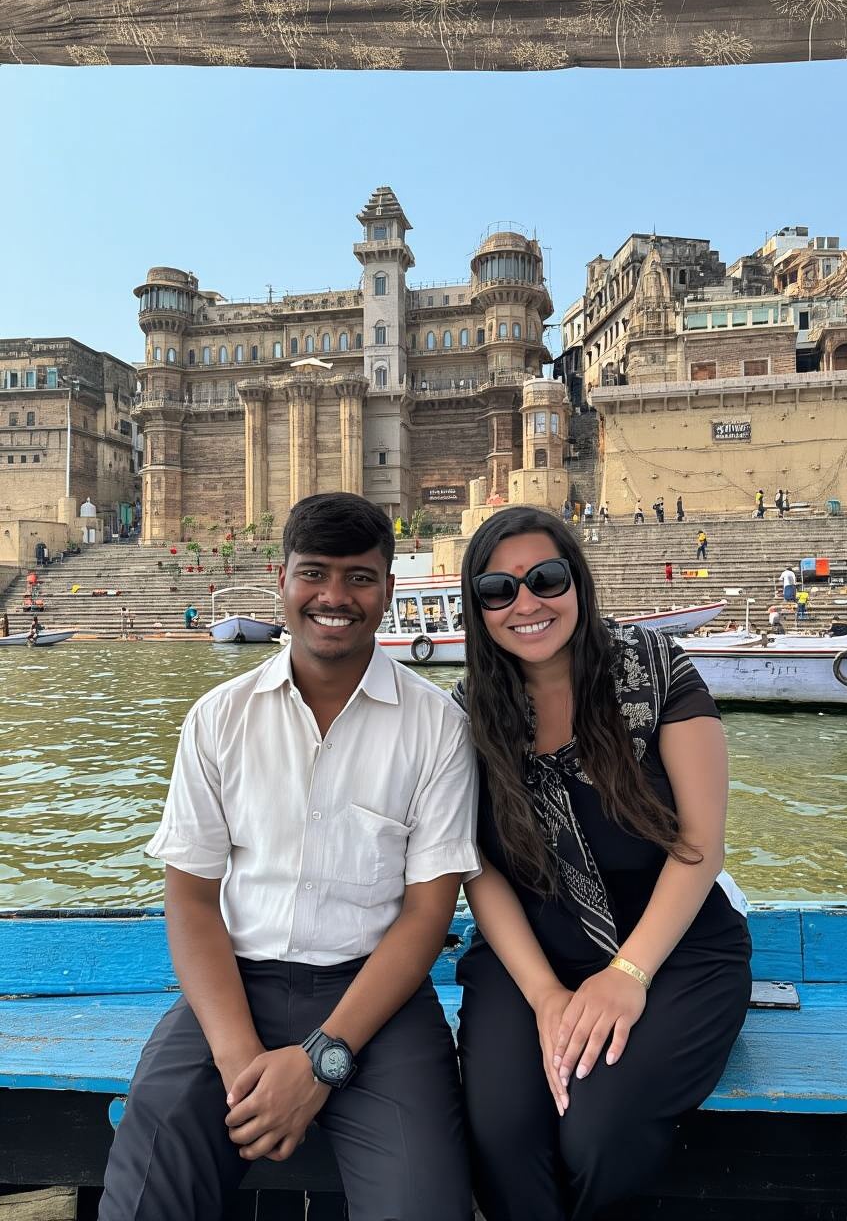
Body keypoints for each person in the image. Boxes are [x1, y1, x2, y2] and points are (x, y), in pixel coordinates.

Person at [98, 492, 479, 1221]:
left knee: (421, 1206)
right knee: (146, 1196)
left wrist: (318, 1063)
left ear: (389, 590)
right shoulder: (219, 719)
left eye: (360, 578)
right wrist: (243, 1064)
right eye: (315, 573)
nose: (335, 597)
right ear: (282, 579)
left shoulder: (436, 728)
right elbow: (192, 901)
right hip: (235, 989)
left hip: (378, 1002)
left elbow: (428, 916)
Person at [454, 506, 751, 1221]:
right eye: (499, 590)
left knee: (599, 1129)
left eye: (544, 579)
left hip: (674, 951)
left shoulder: (656, 668)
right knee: (500, 1130)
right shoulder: (470, 711)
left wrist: (627, 975)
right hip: (532, 956)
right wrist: (547, 996)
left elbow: (700, 845)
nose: (525, 604)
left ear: (577, 583)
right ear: (479, 608)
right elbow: (476, 869)